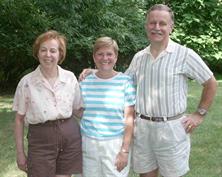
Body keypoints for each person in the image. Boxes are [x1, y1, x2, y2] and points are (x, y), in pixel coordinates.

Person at [79, 4, 217, 177]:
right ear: (146, 25)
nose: (157, 27)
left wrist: (199, 113)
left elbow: (211, 82)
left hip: (171, 129)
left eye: (162, 23)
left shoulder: (184, 55)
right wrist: (96, 72)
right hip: (142, 127)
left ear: (171, 27)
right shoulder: (139, 57)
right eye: (152, 23)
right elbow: (122, 79)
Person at [12, 30, 83, 177]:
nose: (48, 55)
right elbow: (19, 119)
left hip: (70, 137)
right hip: (40, 140)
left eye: (53, 50)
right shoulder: (27, 82)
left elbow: (78, 110)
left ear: (60, 54)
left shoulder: (69, 78)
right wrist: (20, 153)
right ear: (37, 53)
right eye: (43, 50)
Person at [79, 36, 136, 177]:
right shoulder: (84, 82)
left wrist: (124, 150)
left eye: (109, 54)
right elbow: (78, 111)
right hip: (88, 142)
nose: (105, 58)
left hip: (115, 144)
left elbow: (129, 119)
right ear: (94, 57)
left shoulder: (125, 82)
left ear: (116, 57)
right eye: (100, 54)